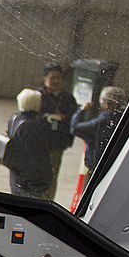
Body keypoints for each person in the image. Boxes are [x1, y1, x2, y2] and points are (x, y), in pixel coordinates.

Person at [38, 63, 79, 200]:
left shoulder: (69, 99)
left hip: (57, 145)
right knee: (38, 174)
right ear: (45, 79)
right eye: (52, 78)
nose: (56, 81)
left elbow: (73, 121)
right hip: (39, 143)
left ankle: (48, 201)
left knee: (52, 174)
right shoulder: (38, 96)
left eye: (59, 78)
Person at [3, 88, 53, 199]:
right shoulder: (31, 126)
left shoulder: (15, 118)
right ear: (35, 106)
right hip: (29, 182)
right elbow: (37, 156)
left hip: (16, 175)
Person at [71, 85, 127, 173]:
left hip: (97, 166)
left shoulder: (103, 121)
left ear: (106, 104)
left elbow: (75, 128)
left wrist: (82, 111)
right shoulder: (124, 118)